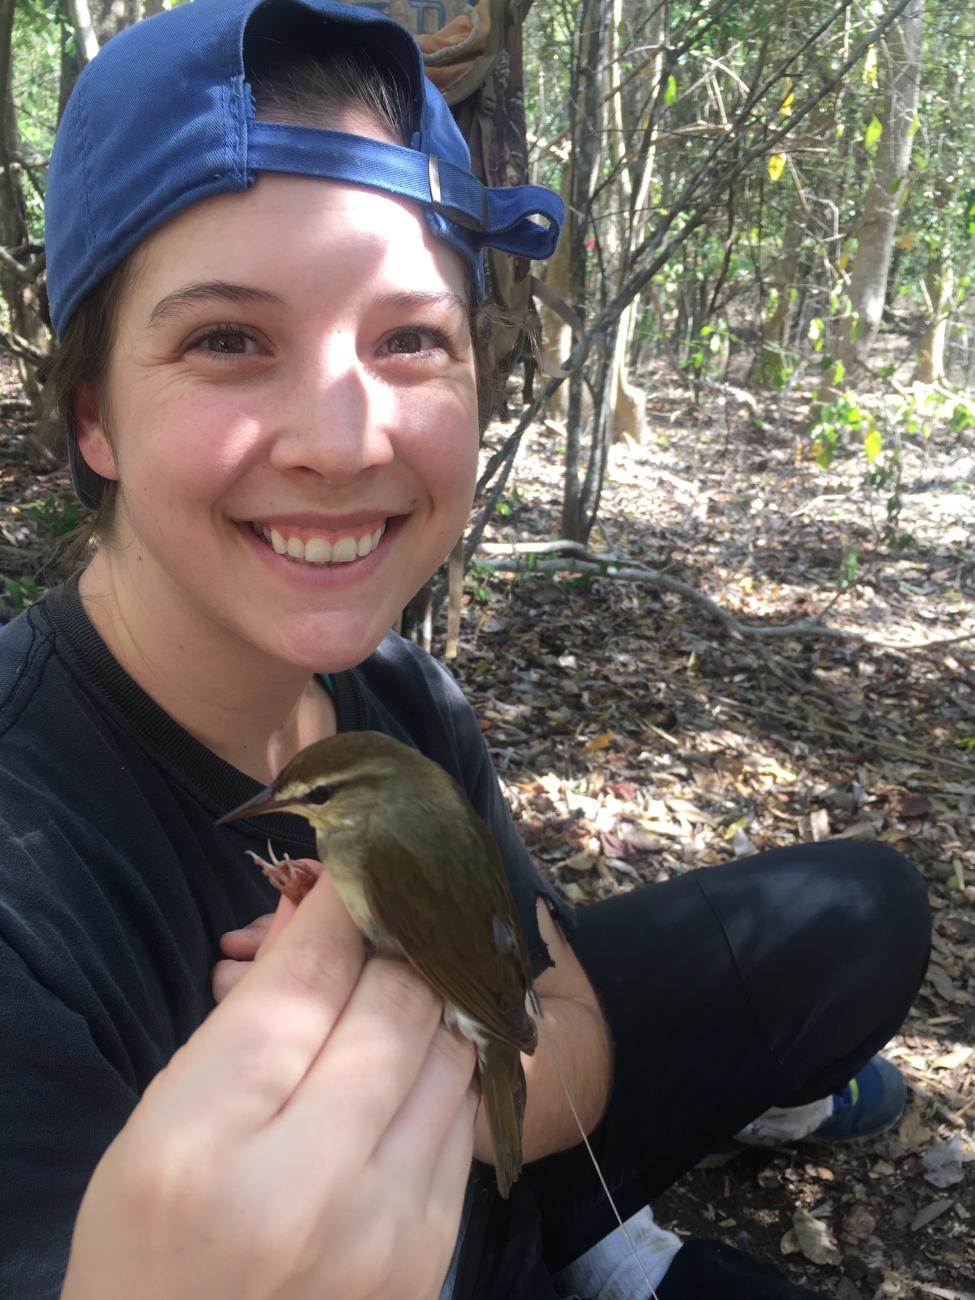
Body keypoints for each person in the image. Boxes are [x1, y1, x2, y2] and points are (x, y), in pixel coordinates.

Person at [0, 2, 930, 1297]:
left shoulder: (395, 697)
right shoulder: (25, 879)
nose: (344, 438)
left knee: (869, 907)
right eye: (228, 339)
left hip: (499, 1180)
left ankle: (579, 1223)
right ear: (94, 417)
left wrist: (442, 1039)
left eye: (410, 339)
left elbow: (563, 1019)